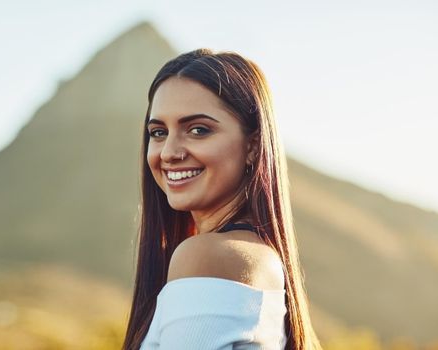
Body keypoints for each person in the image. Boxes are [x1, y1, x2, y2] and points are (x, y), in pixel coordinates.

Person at [122, 48, 322, 350]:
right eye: (159, 132)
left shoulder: (208, 257)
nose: (169, 152)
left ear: (253, 146)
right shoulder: (252, 254)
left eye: (198, 130)